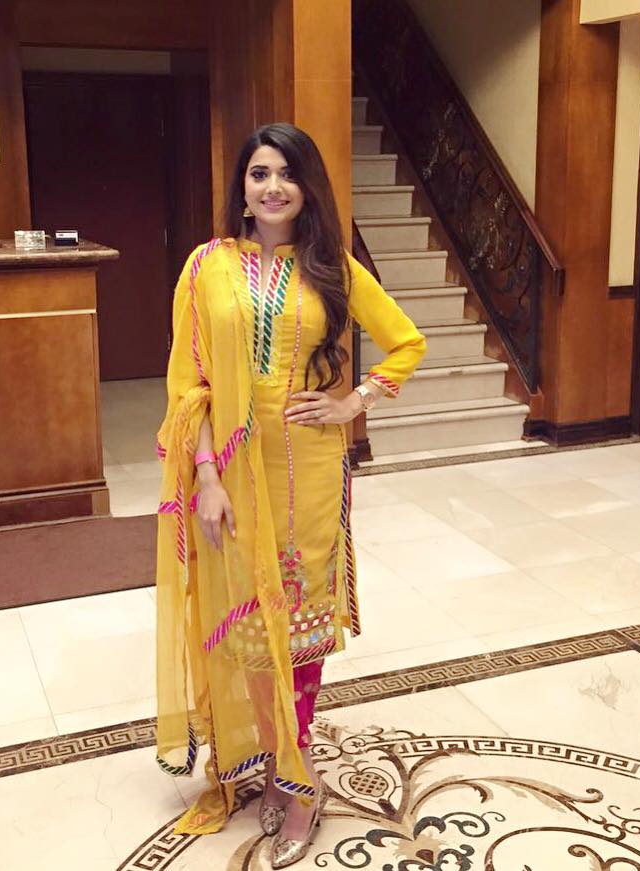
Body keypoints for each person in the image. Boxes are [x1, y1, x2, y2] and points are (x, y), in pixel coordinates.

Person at [155, 122, 426, 867]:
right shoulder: (206, 267)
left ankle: (298, 782)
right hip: (231, 476)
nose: (272, 186)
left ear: (307, 188)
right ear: (242, 188)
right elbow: (189, 383)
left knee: (299, 636)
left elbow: (407, 341)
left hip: (308, 472)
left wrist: (353, 402)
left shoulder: (331, 265)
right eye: (259, 173)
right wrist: (206, 477)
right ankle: (278, 766)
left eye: (287, 174)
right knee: (248, 631)